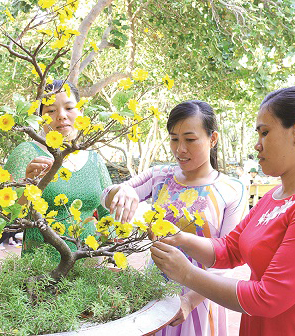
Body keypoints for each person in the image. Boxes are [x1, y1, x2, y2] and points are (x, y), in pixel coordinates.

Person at [150, 86, 295, 335]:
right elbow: (229, 250)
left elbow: (268, 298)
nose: (257, 145)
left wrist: (187, 274)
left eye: (265, 132)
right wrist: (178, 237)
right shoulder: (272, 198)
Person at [101, 100, 247, 336]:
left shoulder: (232, 190)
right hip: (153, 293)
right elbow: (107, 194)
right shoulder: (160, 176)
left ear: (213, 139)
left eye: (190, 139)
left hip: (202, 298)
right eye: (174, 138)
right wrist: (122, 191)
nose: (180, 149)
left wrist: (189, 301)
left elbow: (229, 259)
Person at [3, 80, 112, 260]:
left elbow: (108, 213)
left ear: (81, 112)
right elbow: (5, 216)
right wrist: (26, 184)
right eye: (51, 111)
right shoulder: (26, 153)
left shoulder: (94, 158)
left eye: (69, 108)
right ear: (40, 117)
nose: (61, 116)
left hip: (90, 268)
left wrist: (105, 248)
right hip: (42, 272)